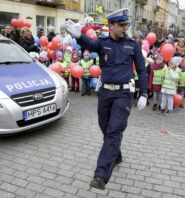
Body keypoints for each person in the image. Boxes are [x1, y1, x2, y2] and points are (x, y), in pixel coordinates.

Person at [65, 8, 148, 190]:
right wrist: (79, 36)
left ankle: (101, 176)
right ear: (110, 26)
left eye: (126, 24)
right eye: (121, 25)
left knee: (113, 131)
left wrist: (144, 93)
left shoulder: (132, 45)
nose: (124, 27)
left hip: (123, 94)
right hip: (105, 94)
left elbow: (142, 70)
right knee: (105, 128)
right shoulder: (103, 42)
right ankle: (115, 155)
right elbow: (90, 43)